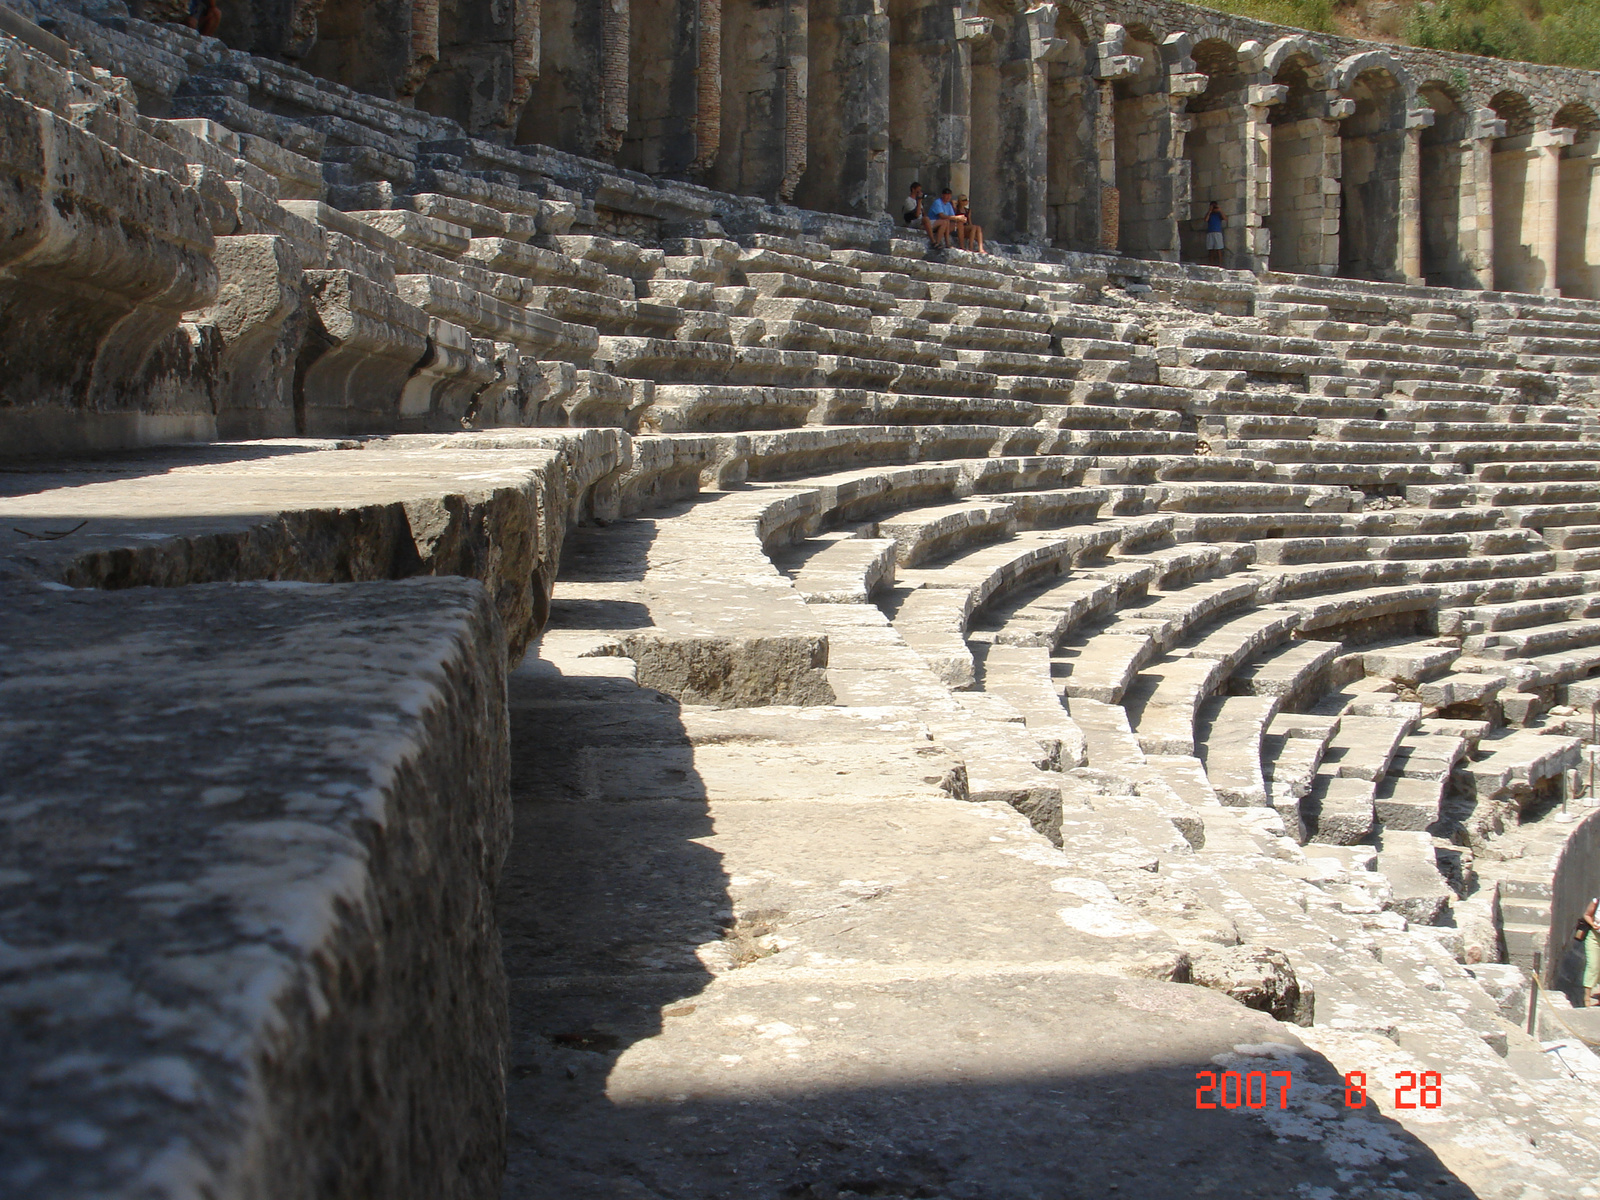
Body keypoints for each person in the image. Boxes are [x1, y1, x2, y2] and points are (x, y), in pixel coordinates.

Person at [903, 182, 947, 248]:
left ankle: (937, 243)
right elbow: (917, 215)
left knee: (944, 222)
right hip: (912, 222)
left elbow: (923, 213)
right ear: (913, 189)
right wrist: (919, 201)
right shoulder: (908, 201)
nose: (920, 192)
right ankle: (933, 241)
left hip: (921, 222)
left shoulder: (917, 201)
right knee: (925, 219)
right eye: (918, 190)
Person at [1578, 897, 1600, 1007]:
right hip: (1594, 937)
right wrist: (1592, 924)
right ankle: (1587, 998)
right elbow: (1587, 915)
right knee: (1593, 965)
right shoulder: (1596, 901)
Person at [1205, 201, 1226, 267]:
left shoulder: (1219, 214)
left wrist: (1220, 210)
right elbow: (1206, 220)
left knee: (1219, 249)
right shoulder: (1209, 214)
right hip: (1210, 232)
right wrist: (1210, 211)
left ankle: (1220, 264)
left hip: (1217, 232)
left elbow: (1225, 218)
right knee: (1211, 250)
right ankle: (1211, 264)